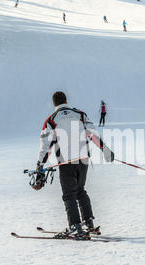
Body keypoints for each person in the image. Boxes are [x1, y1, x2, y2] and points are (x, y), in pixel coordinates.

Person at [33, 91, 115, 239]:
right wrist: (105, 150)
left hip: (66, 161)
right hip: (83, 159)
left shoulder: (51, 120)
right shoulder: (80, 114)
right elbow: (92, 133)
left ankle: (75, 226)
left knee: (69, 194)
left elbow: (46, 146)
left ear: (54, 104)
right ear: (66, 100)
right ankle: (88, 222)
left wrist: (40, 164)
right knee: (80, 190)